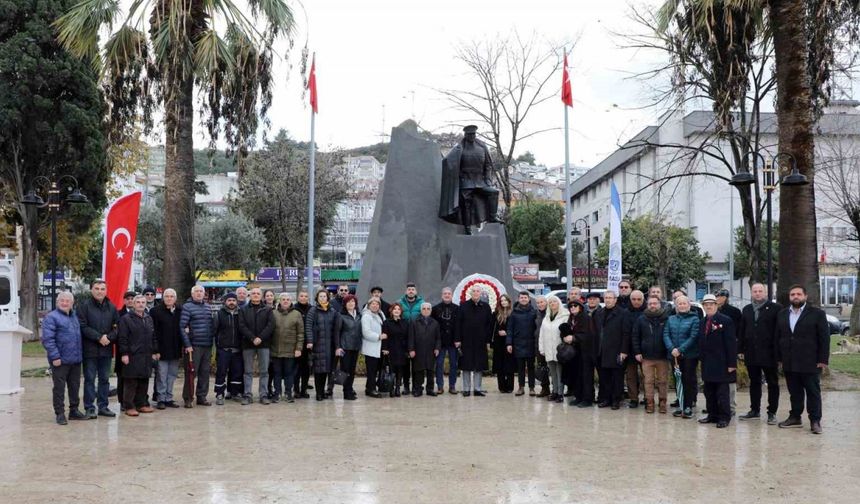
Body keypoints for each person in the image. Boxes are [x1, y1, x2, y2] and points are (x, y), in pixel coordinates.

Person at [776, 284, 829, 434]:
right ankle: (795, 417)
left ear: (805, 296)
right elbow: (777, 337)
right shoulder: (782, 314)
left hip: (810, 361)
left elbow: (824, 338)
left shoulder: (817, 314)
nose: (796, 297)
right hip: (789, 361)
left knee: (813, 392)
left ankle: (815, 421)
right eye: (793, 294)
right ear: (789, 297)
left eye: (799, 294)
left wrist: (823, 359)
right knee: (795, 392)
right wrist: (779, 358)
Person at [438, 124, 501, 234]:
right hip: (465, 182)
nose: (472, 136)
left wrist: (488, 180)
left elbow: (488, 165)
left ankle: (492, 217)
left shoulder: (482, 147)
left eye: (473, 134)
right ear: (465, 135)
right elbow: (449, 162)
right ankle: (467, 228)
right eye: (469, 134)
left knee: (494, 193)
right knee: (466, 205)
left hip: (480, 182)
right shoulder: (459, 148)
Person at [738, 283, 783, 424]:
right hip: (751, 352)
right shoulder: (746, 309)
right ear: (751, 293)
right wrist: (740, 349)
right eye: (755, 291)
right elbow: (742, 331)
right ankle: (755, 410)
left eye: (760, 291)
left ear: (766, 292)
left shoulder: (776, 309)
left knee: (772, 383)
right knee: (754, 382)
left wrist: (779, 353)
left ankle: (772, 412)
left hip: (769, 353)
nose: (757, 293)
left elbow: (780, 331)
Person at [42, 291, 87, 425]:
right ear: (57, 302)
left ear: (72, 303)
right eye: (62, 300)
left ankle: (74, 410)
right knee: (59, 388)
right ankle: (60, 413)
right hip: (60, 360)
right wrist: (55, 356)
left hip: (75, 359)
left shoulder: (74, 317)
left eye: (68, 301)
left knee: (75, 387)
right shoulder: (51, 317)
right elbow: (48, 339)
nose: (65, 303)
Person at [77, 280, 119, 418]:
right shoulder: (84, 306)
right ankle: (89, 407)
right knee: (89, 379)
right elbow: (82, 326)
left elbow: (117, 327)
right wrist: (99, 337)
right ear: (91, 290)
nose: (99, 291)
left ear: (106, 291)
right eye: (96, 288)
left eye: (102, 289)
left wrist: (109, 337)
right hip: (90, 350)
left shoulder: (112, 307)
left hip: (106, 350)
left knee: (105, 379)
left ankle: (103, 406)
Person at [698, 294, 737, 429]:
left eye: (711, 304)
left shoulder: (726, 321)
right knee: (709, 392)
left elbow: (731, 343)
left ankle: (724, 417)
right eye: (706, 304)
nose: (708, 307)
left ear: (716, 305)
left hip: (722, 363)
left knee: (722, 393)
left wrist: (732, 364)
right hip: (707, 363)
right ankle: (712, 415)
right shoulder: (702, 322)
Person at [118, 295, 158, 417]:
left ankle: (142, 404)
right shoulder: (126, 319)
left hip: (146, 355)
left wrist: (155, 351)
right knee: (131, 381)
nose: (141, 304)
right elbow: (122, 338)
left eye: (143, 302)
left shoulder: (148, 318)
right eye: (138, 302)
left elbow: (153, 336)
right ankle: (129, 406)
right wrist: (124, 353)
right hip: (132, 355)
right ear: (133, 304)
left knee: (144, 380)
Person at [663, 295, 700, 419]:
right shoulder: (671, 319)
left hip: (689, 355)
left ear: (689, 305)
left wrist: (680, 349)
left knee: (688, 381)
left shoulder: (695, 319)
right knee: (678, 381)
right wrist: (672, 348)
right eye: (680, 304)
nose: (682, 306)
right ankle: (681, 404)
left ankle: (688, 406)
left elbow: (693, 336)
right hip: (673, 356)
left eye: (685, 303)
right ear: (676, 306)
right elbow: (666, 334)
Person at [150, 289, 188, 409]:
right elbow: (153, 332)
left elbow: (184, 327)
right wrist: (155, 350)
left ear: (175, 299)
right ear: (163, 298)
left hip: (175, 349)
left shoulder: (180, 311)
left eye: (172, 296)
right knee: (161, 375)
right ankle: (161, 399)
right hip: (161, 350)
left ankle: (169, 398)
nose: (169, 298)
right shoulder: (155, 311)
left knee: (172, 375)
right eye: (167, 296)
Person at [632, 296, 669, 414]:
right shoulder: (641, 319)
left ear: (660, 304)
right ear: (647, 305)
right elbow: (635, 336)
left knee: (663, 381)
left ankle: (662, 402)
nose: (653, 306)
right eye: (650, 304)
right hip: (646, 357)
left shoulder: (666, 318)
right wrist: (637, 352)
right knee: (648, 381)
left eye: (655, 303)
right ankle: (650, 403)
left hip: (662, 356)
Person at [594, 291, 631, 410]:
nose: (608, 300)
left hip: (616, 350)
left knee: (617, 377)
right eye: (606, 298)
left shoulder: (623, 313)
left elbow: (626, 333)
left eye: (610, 298)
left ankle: (616, 400)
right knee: (604, 377)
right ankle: (606, 399)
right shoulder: (599, 313)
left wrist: (624, 351)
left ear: (615, 299)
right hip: (601, 351)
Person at [179, 285, 214, 408]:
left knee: (205, 373)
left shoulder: (207, 307)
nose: (199, 293)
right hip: (194, 346)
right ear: (192, 294)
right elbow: (182, 327)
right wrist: (187, 344)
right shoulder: (187, 307)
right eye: (197, 292)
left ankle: (202, 396)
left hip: (207, 345)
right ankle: (188, 398)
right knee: (191, 373)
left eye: (201, 292)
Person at [239, 288, 274, 405]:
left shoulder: (268, 310)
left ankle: (263, 394)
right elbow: (242, 326)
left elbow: (270, 325)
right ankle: (247, 395)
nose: (255, 295)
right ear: (250, 295)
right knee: (248, 371)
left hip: (264, 344)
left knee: (264, 371)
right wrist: (252, 338)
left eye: (258, 293)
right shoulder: (243, 310)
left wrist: (260, 338)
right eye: (253, 293)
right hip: (248, 344)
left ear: (261, 296)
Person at [456, 286, 494, 397]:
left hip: (480, 341)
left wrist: (488, 340)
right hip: (466, 340)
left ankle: (477, 388)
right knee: (466, 365)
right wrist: (458, 339)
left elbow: (489, 325)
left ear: (481, 293)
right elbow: (458, 324)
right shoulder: (463, 306)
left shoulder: (486, 307)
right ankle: (466, 389)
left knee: (479, 365)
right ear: (470, 293)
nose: (476, 293)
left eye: (478, 291)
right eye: (474, 291)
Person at [306, 289, 341, 401]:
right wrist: (310, 341)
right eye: (320, 296)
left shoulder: (332, 311)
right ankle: (319, 393)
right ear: (317, 298)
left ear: (327, 298)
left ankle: (325, 391)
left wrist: (337, 346)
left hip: (330, 345)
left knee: (327, 370)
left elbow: (336, 329)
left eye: (324, 296)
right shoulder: (313, 310)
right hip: (317, 344)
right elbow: (308, 327)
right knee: (318, 371)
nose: (322, 298)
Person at [271, 293, 304, 403]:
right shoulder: (273, 313)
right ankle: (277, 393)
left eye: (288, 299)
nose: (285, 301)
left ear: (291, 301)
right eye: (283, 299)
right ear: (280, 301)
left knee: (289, 373)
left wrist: (298, 348)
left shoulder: (296, 314)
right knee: (277, 373)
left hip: (291, 350)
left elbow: (300, 333)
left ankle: (288, 393)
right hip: (276, 349)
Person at [538, 295, 569, 403]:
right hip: (548, 349)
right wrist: (541, 348)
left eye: (554, 302)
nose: (552, 304)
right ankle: (554, 392)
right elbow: (541, 334)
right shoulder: (546, 317)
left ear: (559, 303)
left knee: (560, 372)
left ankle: (560, 393)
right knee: (553, 373)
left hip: (559, 350)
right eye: (550, 302)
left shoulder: (565, 316)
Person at [715, 288, 742, 415]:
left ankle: (731, 406)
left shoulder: (734, 312)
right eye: (716, 296)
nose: (718, 298)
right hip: (715, 351)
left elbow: (739, 331)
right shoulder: (712, 312)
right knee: (715, 379)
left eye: (720, 296)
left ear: (725, 297)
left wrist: (738, 348)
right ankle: (717, 405)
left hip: (729, 349)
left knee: (730, 379)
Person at [213, 292, 244, 405]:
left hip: (237, 349)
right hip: (223, 349)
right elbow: (215, 331)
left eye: (234, 300)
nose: (231, 302)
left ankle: (235, 393)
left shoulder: (241, 313)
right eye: (229, 300)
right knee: (221, 372)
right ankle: (219, 393)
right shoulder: (219, 314)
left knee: (237, 372)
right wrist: (218, 346)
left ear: (237, 302)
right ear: (225, 302)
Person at [506, 291, 537, 396]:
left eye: (525, 297)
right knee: (520, 368)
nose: (523, 299)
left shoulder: (534, 312)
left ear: (529, 299)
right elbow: (509, 329)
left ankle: (532, 388)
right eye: (521, 297)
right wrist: (509, 343)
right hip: (518, 343)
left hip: (531, 343)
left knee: (531, 367)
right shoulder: (514, 313)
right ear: (518, 299)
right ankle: (521, 387)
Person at [558, 299, 587, 405]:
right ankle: (578, 396)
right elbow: (566, 332)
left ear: (580, 307)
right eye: (571, 306)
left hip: (584, 352)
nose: (573, 307)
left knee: (584, 376)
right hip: (573, 353)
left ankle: (586, 399)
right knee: (575, 375)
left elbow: (588, 334)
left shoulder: (585, 318)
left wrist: (574, 338)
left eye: (575, 306)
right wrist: (565, 337)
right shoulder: (571, 318)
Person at [409, 302, 441, 397]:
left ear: (431, 310)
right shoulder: (414, 322)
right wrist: (411, 349)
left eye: (428, 309)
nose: (426, 310)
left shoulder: (435, 323)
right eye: (424, 309)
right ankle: (418, 389)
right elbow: (411, 337)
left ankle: (430, 389)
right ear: (421, 310)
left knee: (430, 371)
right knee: (419, 371)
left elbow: (438, 338)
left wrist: (437, 348)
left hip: (431, 351)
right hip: (418, 351)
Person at [432, 287, 459, 394]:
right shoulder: (435, 309)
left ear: (451, 295)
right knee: (439, 364)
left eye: (449, 293)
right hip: (440, 342)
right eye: (445, 293)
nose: (447, 295)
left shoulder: (457, 308)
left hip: (453, 341)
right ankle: (440, 386)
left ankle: (452, 386)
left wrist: (458, 339)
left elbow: (458, 326)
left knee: (454, 364)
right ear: (442, 295)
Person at [335, 294, 362, 400]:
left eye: (353, 302)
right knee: (345, 370)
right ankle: (346, 392)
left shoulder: (359, 315)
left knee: (352, 370)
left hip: (355, 346)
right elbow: (337, 332)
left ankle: (350, 388)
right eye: (349, 302)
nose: (351, 304)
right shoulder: (340, 316)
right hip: (345, 347)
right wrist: (338, 347)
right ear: (345, 304)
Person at [398, 282, 423, 394]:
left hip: (417, 337)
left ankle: (416, 386)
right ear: (406, 291)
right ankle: (406, 386)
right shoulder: (399, 303)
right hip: (403, 337)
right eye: (409, 289)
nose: (411, 291)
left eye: (413, 289)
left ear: (416, 291)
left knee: (417, 364)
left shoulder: (422, 303)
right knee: (405, 364)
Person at [381, 303, 410, 397]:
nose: (396, 310)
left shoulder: (405, 322)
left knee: (400, 369)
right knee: (392, 370)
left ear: (401, 312)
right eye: (395, 309)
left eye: (398, 309)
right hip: (391, 349)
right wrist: (385, 348)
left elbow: (408, 337)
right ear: (391, 311)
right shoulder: (387, 322)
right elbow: (385, 336)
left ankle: (398, 388)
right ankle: (391, 388)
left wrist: (408, 349)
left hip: (402, 350)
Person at [624, 290, 646, 408]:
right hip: (630, 349)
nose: (636, 302)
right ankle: (633, 398)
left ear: (643, 300)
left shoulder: (647, 312)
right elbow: (624, 332)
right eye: (634, 299)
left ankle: (648, 397)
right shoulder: (626, 312)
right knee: (631, 376)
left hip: (645, 350)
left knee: (646, 376)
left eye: (639, 299)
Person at [114, 290, 136, 410]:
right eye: (128, 298)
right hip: (122, 351)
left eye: (132, 298)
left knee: (134, 377)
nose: (130, 300)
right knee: (122, 377)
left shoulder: (140, 313)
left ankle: (133, 400)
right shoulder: (118, 314)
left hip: (137, 352)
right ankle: (122, 401)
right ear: (124, 300)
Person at [361, 297, 386, 398]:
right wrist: (378, 336)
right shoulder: (366, 316)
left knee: (375, 369)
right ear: (369, 305)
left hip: (378, 347)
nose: (375, 306)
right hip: (371, 347)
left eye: (377, 304)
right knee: (371, 370)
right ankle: (371, 389)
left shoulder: (379, 314)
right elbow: (366, 332)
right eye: (373, 304)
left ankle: (369, 387)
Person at [492, 294, 515, 393]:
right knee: (499, 365)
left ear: (509, 301)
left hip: (509, 342)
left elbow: (516, 328)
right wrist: (498, 332)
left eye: (505, 300)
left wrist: (507, 333)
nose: (503, 302)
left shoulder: (513, 314)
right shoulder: (496, 313)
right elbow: (492, 328)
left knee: (509, 365)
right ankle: (501, 386)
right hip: (498, 342)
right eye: (501, 301)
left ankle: (510, 386)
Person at [293, 290, 313, 398]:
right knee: (296, 369)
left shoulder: (312, 309)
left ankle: (304, 389)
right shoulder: (294, 308)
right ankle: (296, 389)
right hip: (296, 343)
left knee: (306, 369)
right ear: (298, 297)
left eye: (306, 296)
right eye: (301, 296)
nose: (303, 298)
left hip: (308, 343)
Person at [533, 295, 550, 398]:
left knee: (553, 367)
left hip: (550, 344)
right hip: (539, 345)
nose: (540, 304)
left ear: (546, 302)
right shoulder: (536, 314)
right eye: (538, 303)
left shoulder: (550, 313)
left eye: (542, 302)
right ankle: (545, 388)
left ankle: (557, 390)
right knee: (542, 367)